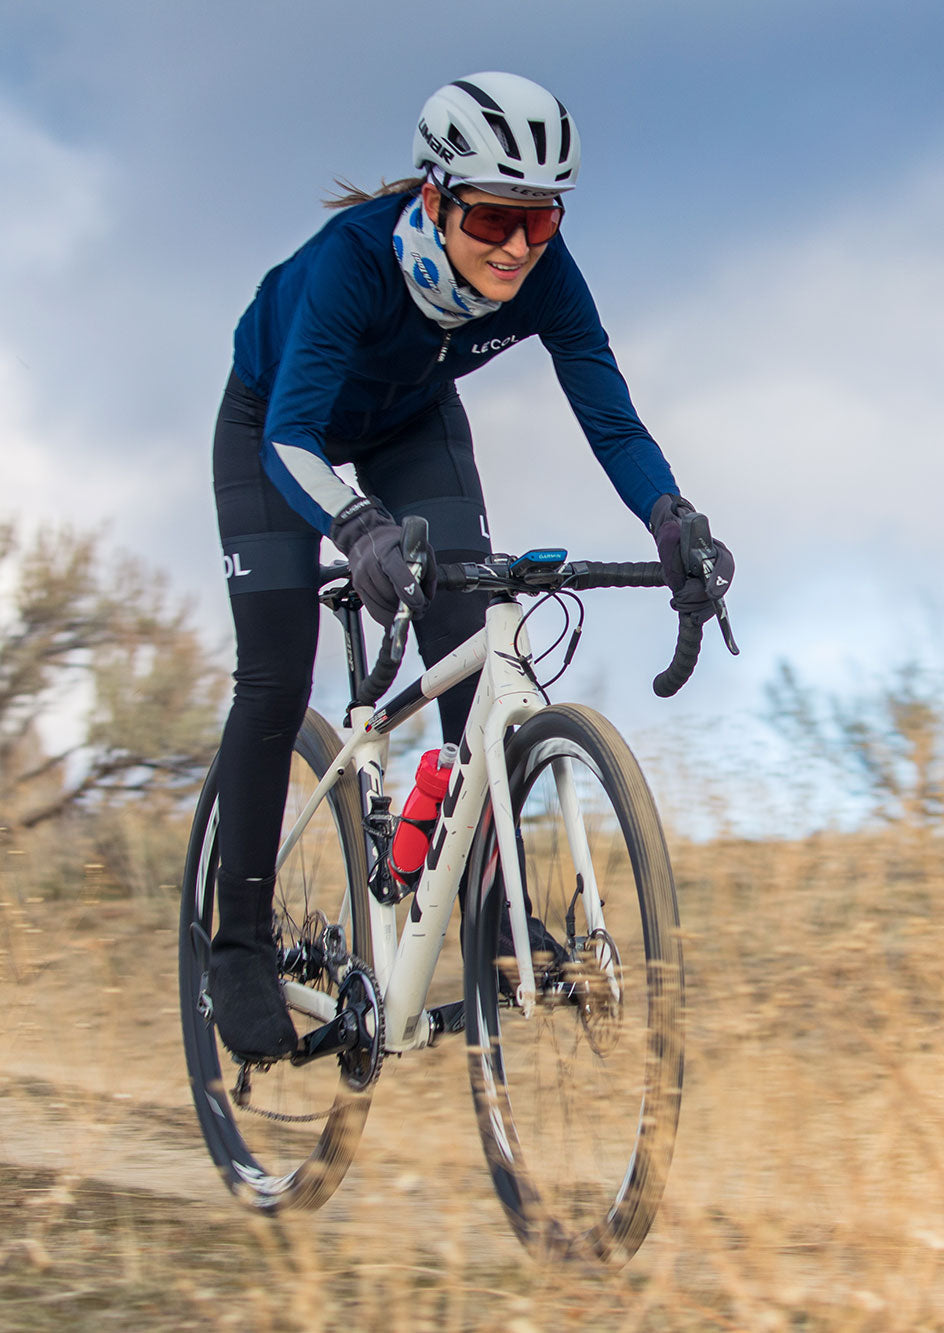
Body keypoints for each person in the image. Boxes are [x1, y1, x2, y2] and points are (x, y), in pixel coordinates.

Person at [208, 71, 734, 1061]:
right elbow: (291, 434)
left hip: (408, 426)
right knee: (276, 671)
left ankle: (484, 915)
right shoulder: (353, 265)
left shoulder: (543, 269)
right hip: (278, 432)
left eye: (540, 223)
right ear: (435, 197)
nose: (516, 247)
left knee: (469, 635)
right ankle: (234, 943)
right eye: (494, 216)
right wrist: (356, 527)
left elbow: (609, 417)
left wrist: (672, 519)